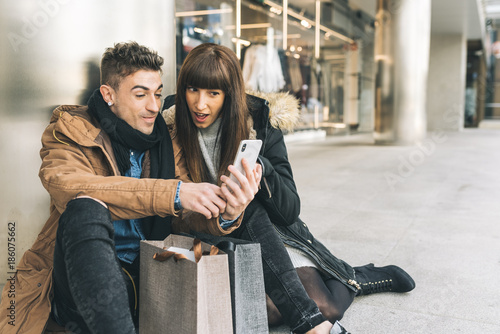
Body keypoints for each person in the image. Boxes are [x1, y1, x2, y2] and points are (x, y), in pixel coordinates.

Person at [0, 41, 258, 334]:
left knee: (225, 250)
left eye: (158, 94)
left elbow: (186, 217)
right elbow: (68, 187)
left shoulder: (166, 141)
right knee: (85, 206)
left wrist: (227, 213)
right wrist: (173, 193)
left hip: (152, 266)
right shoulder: (70, 131)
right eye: (140, 94)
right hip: (83, 280)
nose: (154, 106)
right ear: (108, 94)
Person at [162, 43, 416, 333]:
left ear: (230, 94)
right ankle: (344, 280)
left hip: (265, 234)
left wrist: (262, 170)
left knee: (326, 306)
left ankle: (355, 278)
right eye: (193, 89)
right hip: (206, 234)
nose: (200, 104)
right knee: (263, 308)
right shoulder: (169, 124)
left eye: (213, 93)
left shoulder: (258, 120)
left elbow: (290, 208)